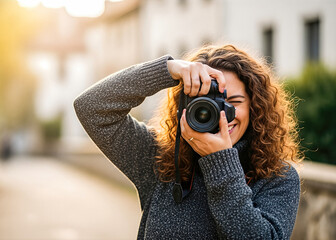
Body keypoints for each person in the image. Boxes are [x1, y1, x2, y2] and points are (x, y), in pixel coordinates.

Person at [74, 44, 302, 239]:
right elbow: (92, 107)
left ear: (256, 108)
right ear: (185, 107)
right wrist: (168, 69)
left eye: (234, 101)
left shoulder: (278, 178)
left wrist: (220, 162)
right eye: (206, 102)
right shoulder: (160, 160)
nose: (221, 113)